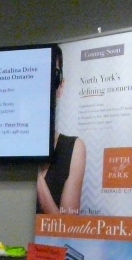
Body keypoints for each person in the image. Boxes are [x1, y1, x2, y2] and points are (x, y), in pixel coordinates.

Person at [36, 50, 87, 215]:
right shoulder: (2, 147)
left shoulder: (72, 148)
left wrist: (35, 175)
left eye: (52, 77)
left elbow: (66, 227)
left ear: (61, 86)